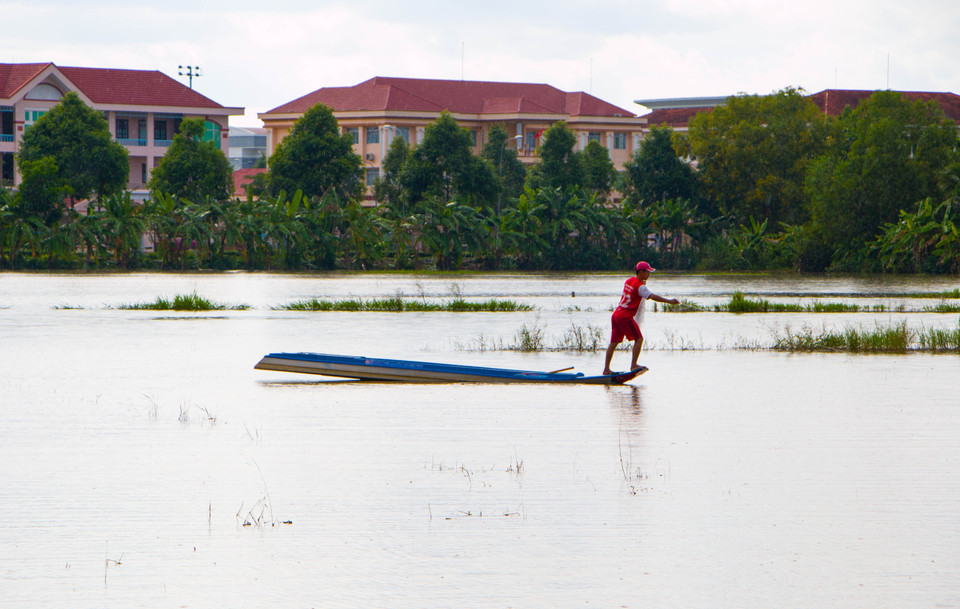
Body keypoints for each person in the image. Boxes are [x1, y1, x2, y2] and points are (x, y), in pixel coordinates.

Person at [602, 261, 680, 375]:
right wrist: (669, 301)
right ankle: (634, 365)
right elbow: (652, 296)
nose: (649, 275)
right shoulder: (640, 287)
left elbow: (636, 288)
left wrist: (642, 282)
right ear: (642, 272)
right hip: (625, 316)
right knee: (639, 339)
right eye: (647, 272)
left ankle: (606, 370)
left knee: (614, 342)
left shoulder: (629, 281)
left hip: (616, 314)